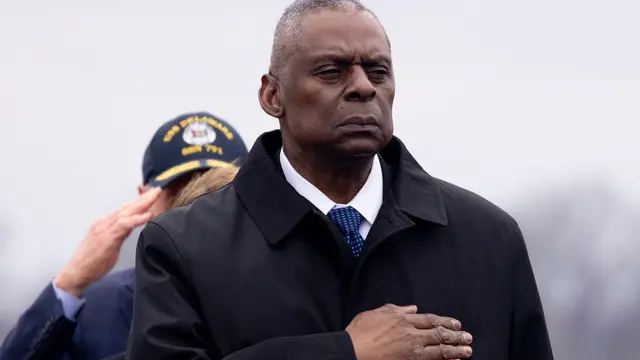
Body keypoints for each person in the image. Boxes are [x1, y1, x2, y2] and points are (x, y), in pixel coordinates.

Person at [125, 1, 554, 359]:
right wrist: (345, 352)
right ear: (272, 95)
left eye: (378, 71)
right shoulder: (184, 245)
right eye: (332, 71)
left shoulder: (489, 240)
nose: (363, 87)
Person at [0, 112, 248, 360]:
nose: (198, 209)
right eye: (178, 193)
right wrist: (69, 283)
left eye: (219, 193)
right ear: (144, 201)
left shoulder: (279, 286)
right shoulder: (102, 308)